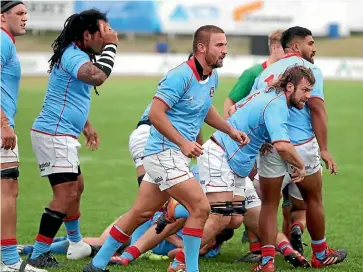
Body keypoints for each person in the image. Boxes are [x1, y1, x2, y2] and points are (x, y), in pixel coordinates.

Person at [84, 24, 249, 272]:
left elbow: (205, 109)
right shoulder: (179, 75)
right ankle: (190, 268)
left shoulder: (211, 76)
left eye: (225, 44)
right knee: (200, 207)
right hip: (163, 153)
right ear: (201, 48)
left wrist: (230, 131)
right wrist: (183, 142)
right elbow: (156, 114)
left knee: (141, 213)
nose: (225, 50)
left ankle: (96, 265)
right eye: (220, 45)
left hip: (171, 156)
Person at [27, 9, 119, 268]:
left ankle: (76, 244)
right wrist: (112, 47)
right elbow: (97, 77)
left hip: (62, 133)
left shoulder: (78, 53)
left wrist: (86, 125)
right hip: (53, 134)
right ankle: (39, 254)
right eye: (104, 33)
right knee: (66, 193)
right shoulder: (72, 55)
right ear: (87, 34)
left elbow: (70, 93)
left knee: (76, 187)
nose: (108, 37)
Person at [251, 26, 347, 271]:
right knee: (313, 198)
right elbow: (316, 108)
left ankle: (267, 262)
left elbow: (254, 108)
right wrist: (324, 149)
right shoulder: (310, 70)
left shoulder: (266, 73)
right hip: (302, 146)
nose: (314, 48)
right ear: (295, 46)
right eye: (310, 43)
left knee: (270, 206)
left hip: (271, 146)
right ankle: (320, 254)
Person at [1, 1, 46, 271]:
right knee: (8, 190)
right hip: (1, 127)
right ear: (2, 18)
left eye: (26, 13)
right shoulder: (2, 41)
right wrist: (4, 124)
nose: (25, 18)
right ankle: (8, 261)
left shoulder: (6, 41)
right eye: (19, 13)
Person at [223, 29, 285, 118]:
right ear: (274, 48)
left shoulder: (289, 73)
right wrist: (228, 130)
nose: (290, 52)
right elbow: (230, 102)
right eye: (285, 47)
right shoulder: (253, 73)